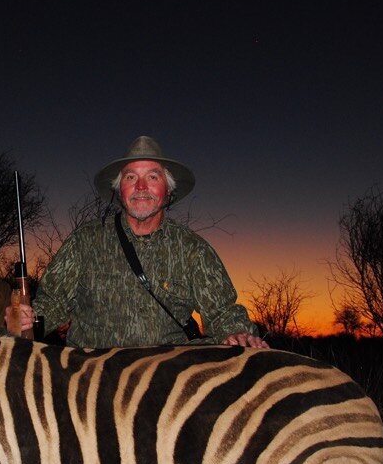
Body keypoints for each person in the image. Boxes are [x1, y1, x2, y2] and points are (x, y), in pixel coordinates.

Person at [15, 136, 266, 348]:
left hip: (165, 378)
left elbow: (223, 312)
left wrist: (238, 334)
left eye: (153, 177)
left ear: (168, 190)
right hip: (94, 376)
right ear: (118, 189)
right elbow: (52, 303)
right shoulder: (85, 241)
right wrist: (26, 318)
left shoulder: (193, 249)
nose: (141, 187)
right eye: (131, 178)